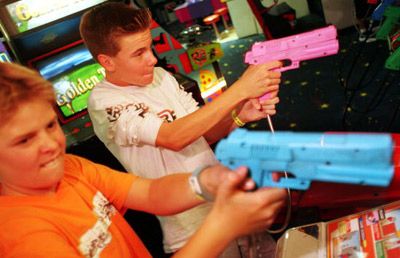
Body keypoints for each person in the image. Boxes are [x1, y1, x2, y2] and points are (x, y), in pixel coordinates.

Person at [0, 61, 287, 257]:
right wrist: (224, 224)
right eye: (25, 140)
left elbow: (149, 192)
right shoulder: (19, 234)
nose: (50, 144)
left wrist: (206, 181)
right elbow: (174, 137)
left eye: (51, 126)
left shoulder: (71, 168)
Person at [80, 2, 283, 256]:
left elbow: (200, 134)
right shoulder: (104, 102)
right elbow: (173, 137)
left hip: (225, 200)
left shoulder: (161, 77)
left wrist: (238, 116)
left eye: (150, 47)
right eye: (138, 53)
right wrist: (240, 90)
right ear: (107, 61)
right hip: (190, 227)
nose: (152, 59)